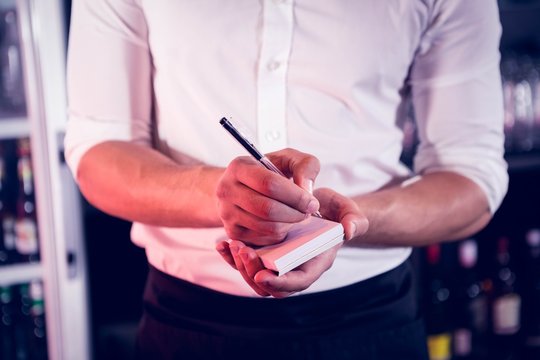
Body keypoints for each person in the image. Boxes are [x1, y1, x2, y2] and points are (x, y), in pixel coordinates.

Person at [64, 1, 508, 359]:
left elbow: (471, 179)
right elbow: (98, 154)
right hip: (186, 326)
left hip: (372, 324)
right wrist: (221, 194)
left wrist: (343, 223)